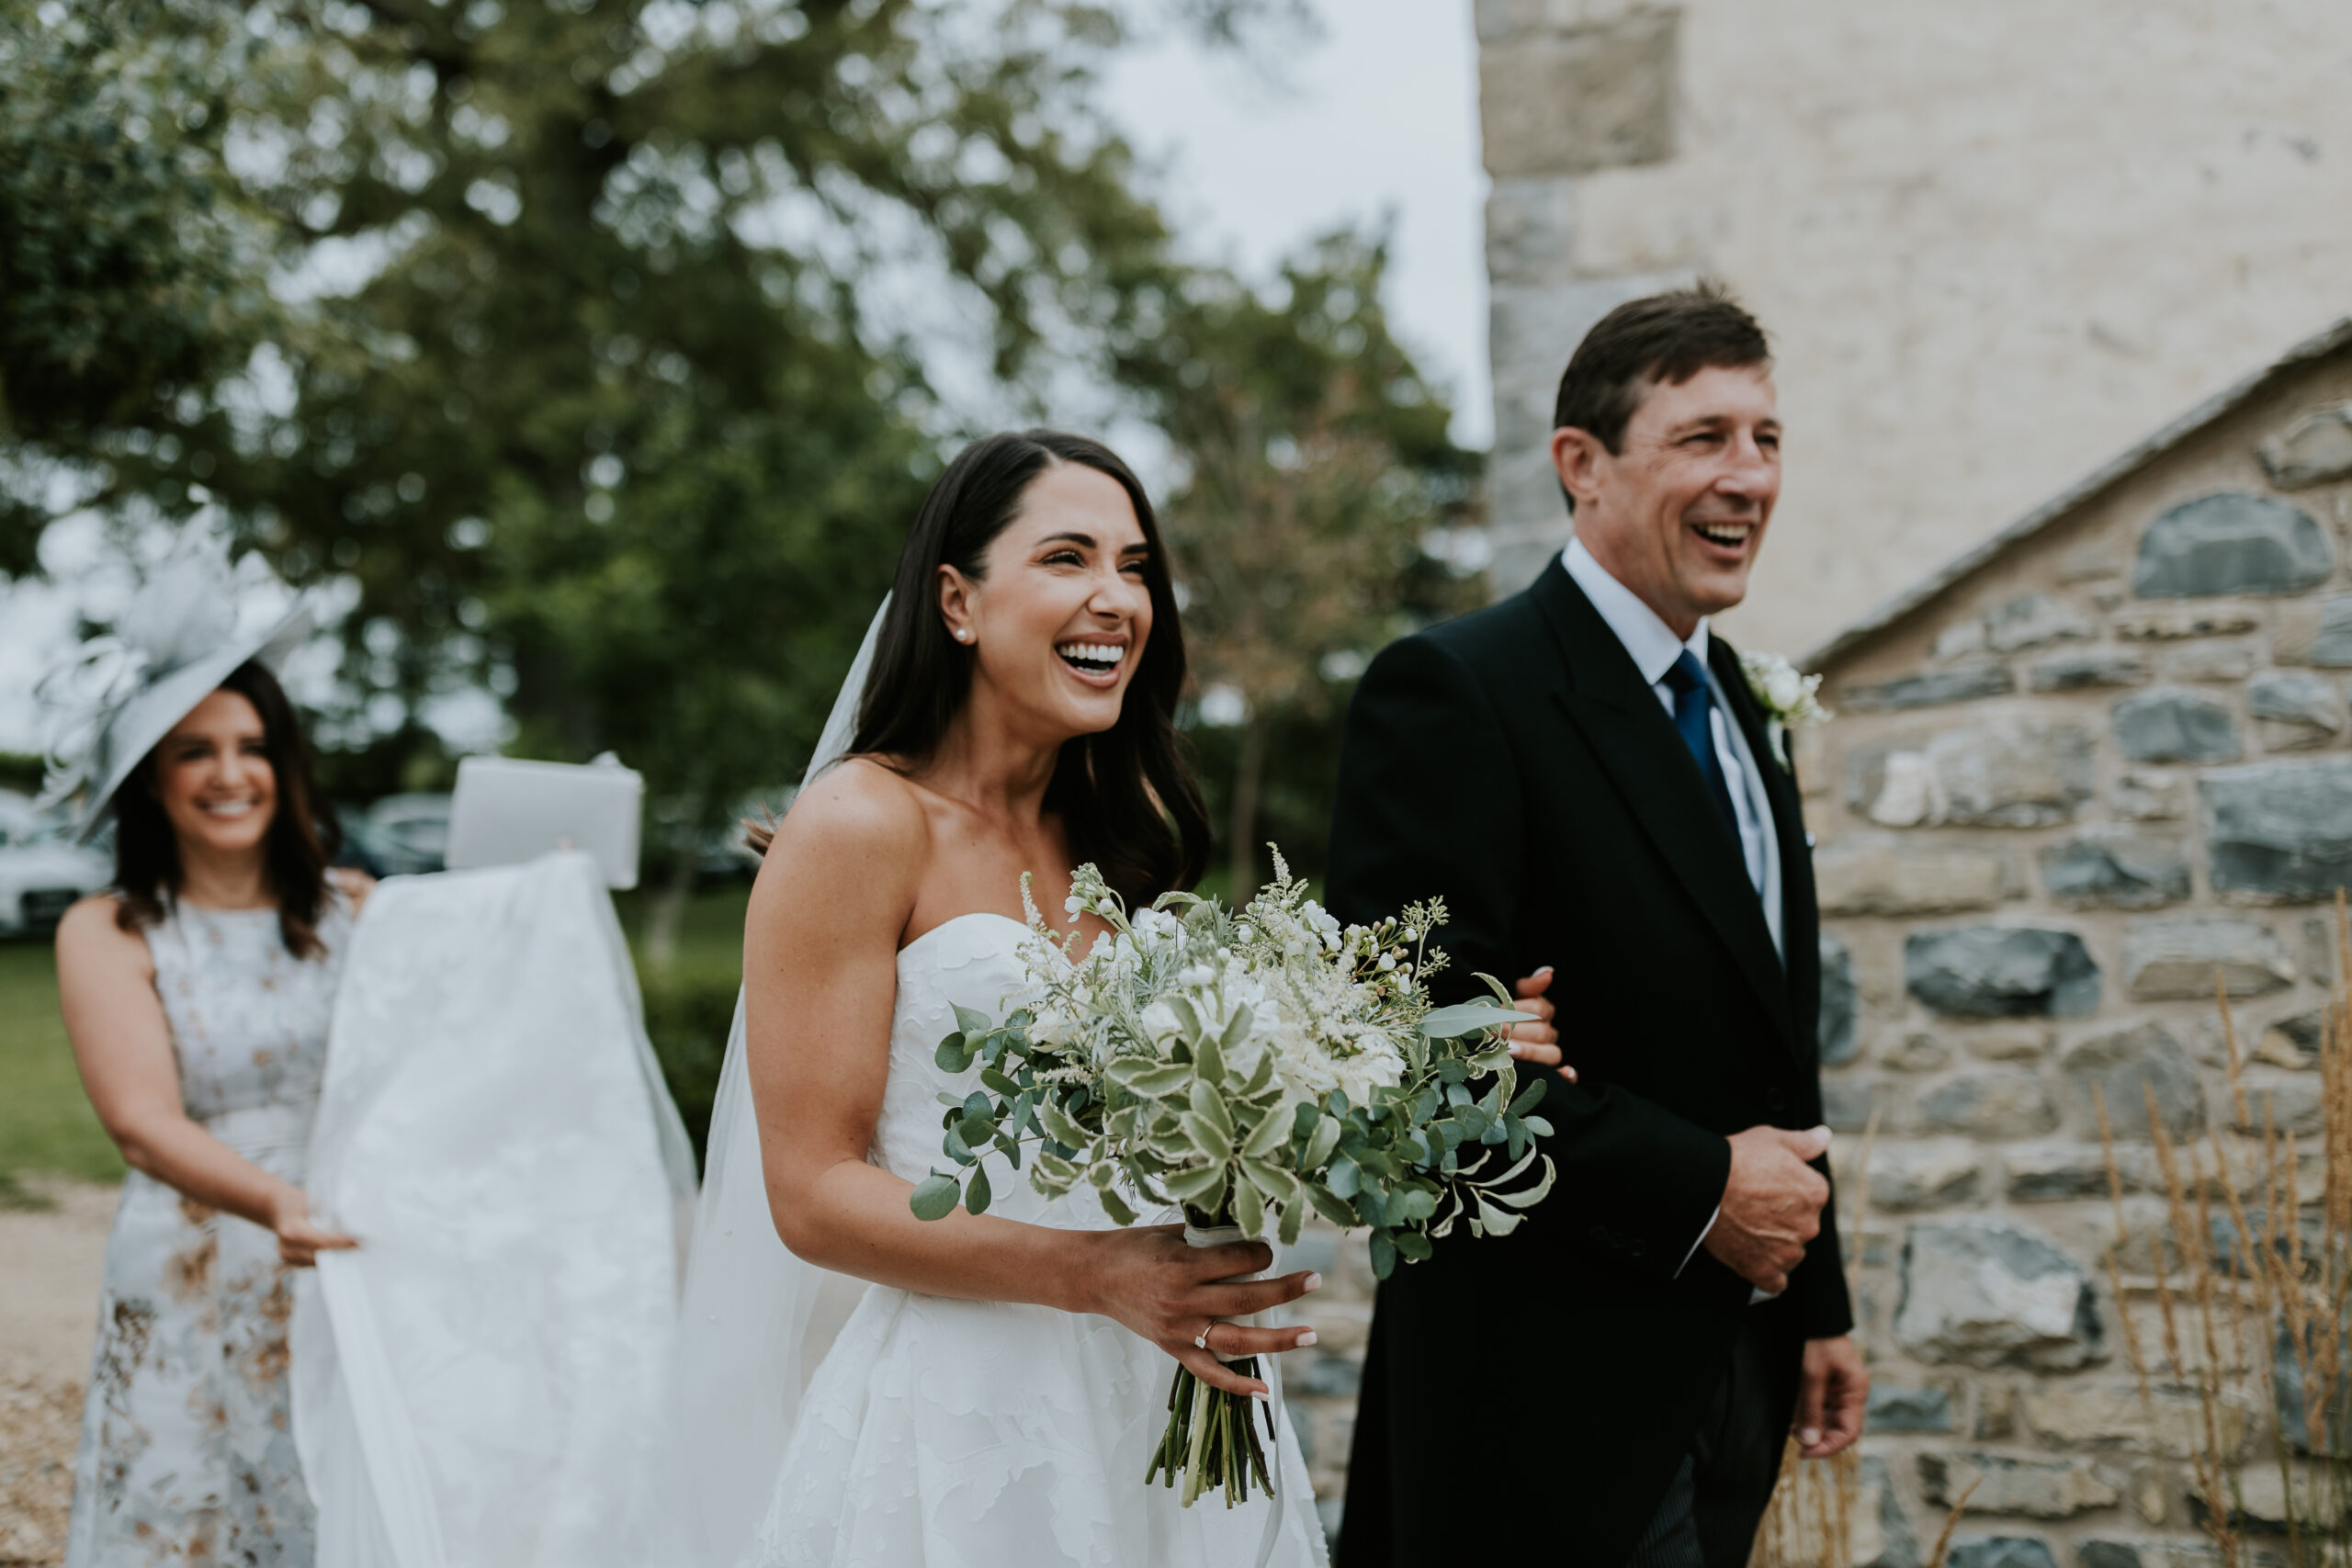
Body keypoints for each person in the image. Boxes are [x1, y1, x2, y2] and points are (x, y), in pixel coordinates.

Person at [675, 430, 1329, 1566]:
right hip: (972, 1423)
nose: (1117, 599)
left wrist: (1410, 1064)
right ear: (957, 602)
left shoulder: (1113, 838)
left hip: (1165, 1389)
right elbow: (814, 1193)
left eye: (1135, 569)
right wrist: (1092, 1277)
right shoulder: (861, 825)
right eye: (1067, 558)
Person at [1328, 287, 1867, 1568]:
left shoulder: (1739, 697)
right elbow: (1417, 1063)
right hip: (1543, 1384)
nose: (1749, 477)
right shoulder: (1458, 691)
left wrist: (1820, 1296)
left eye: (1767, 438)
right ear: (1583, 465)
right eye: (1703, 438)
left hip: (1732, 1360)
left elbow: (1770, 1031)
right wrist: (1704, 1188)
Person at [45, 542, 370, 1567]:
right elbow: (143, 1124)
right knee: (183, 1509)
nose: (230, 775)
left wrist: (555, 883)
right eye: (194, 752)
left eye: (251, 746)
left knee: (323, 1502)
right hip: (193, 1252)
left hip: (340, 1254)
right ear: (151, 780)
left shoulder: (355, 908)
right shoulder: (111, 927)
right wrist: (276, 1203)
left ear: (284, 762)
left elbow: (488, 985)